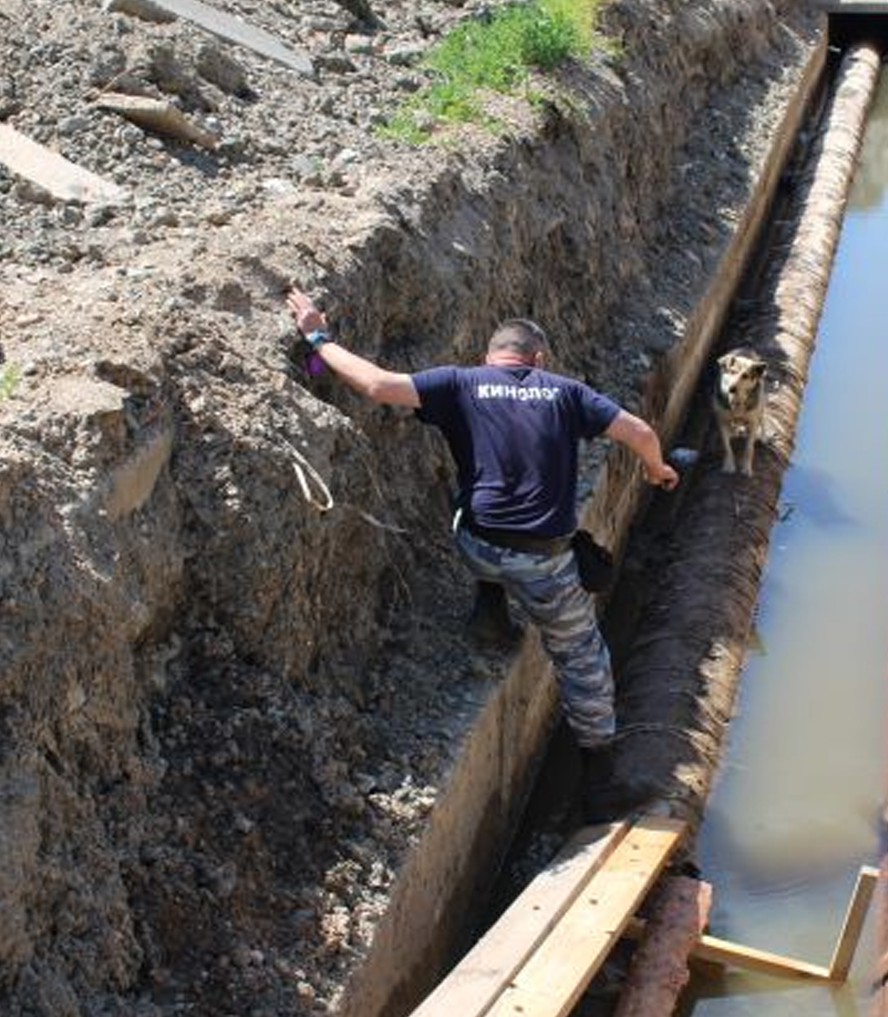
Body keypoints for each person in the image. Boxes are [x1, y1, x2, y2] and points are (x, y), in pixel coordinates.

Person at [285, 288, 679, 810]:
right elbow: (639, 431)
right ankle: (601, 784)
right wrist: (657, 469)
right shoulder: (566, 392)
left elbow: (377, 384)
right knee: (583, 659)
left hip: (475, 544)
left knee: (468, 495)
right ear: (539, 360)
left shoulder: (460, 383)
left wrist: (317, 336)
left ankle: (490, 607)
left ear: (488, 357)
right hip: (544, 564)